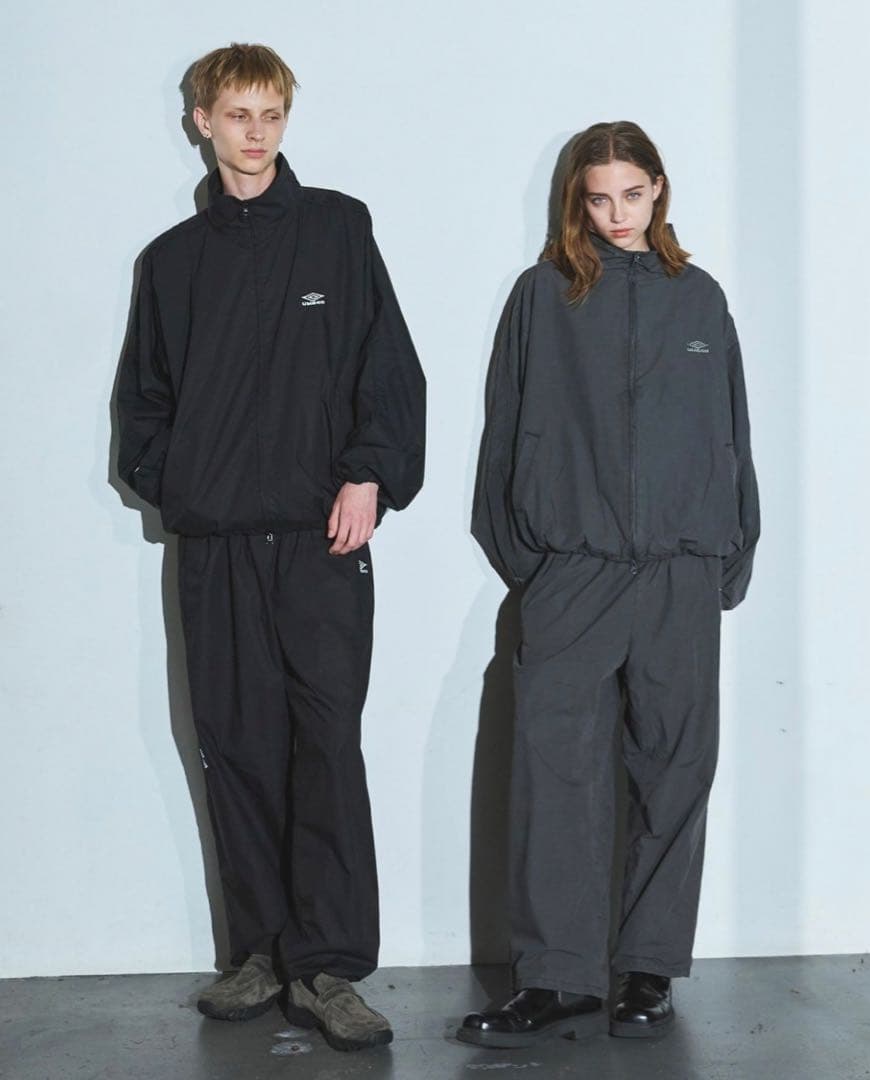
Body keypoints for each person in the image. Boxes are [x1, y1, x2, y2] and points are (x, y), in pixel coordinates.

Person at [116, 43, 425, 1053]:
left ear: (285, 121)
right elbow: (143, 409)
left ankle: (327, 967)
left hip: (319, 541)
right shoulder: (171, 263)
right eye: (238, 114)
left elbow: (389, 369)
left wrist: (368, 474)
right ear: (201, 121)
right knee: (236, 744)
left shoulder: (338, 229)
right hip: (216, 551)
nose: (255, 133)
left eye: (271, 114)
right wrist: (189, 491)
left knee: (324, 747)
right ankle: (258, 952)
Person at [461, 121, 759, 1047]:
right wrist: (535, 562)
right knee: (554, 777)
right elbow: (504, 431)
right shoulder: (542, 295)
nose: (617, 214)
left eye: (632, 194)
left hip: (678, 569)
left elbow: (732, 431)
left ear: (658, 190)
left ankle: (647, 971)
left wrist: (726, 551)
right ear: (576, 202)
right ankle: (555, 978)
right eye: (599, 199)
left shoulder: (698, 298)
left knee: (674, 772)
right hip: (574, 570)